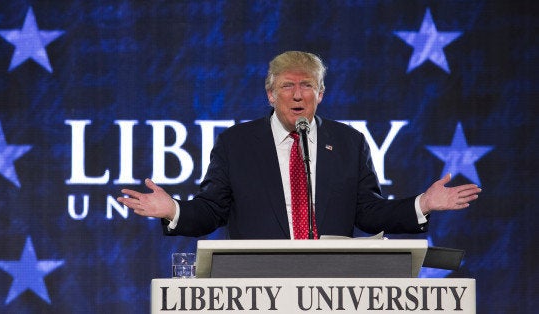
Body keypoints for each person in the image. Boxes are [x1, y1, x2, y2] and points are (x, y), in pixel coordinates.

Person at [117, 51, 481, 239]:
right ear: (270, 94)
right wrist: (172, 211)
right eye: (287, 86)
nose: (297, 94)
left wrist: (423, 204)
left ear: (321, 94)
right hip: (258, 287)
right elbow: (211, 211)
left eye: (307, 85)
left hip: (331, 286)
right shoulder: (236, 143)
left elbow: (368, 213)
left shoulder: (348, 142)